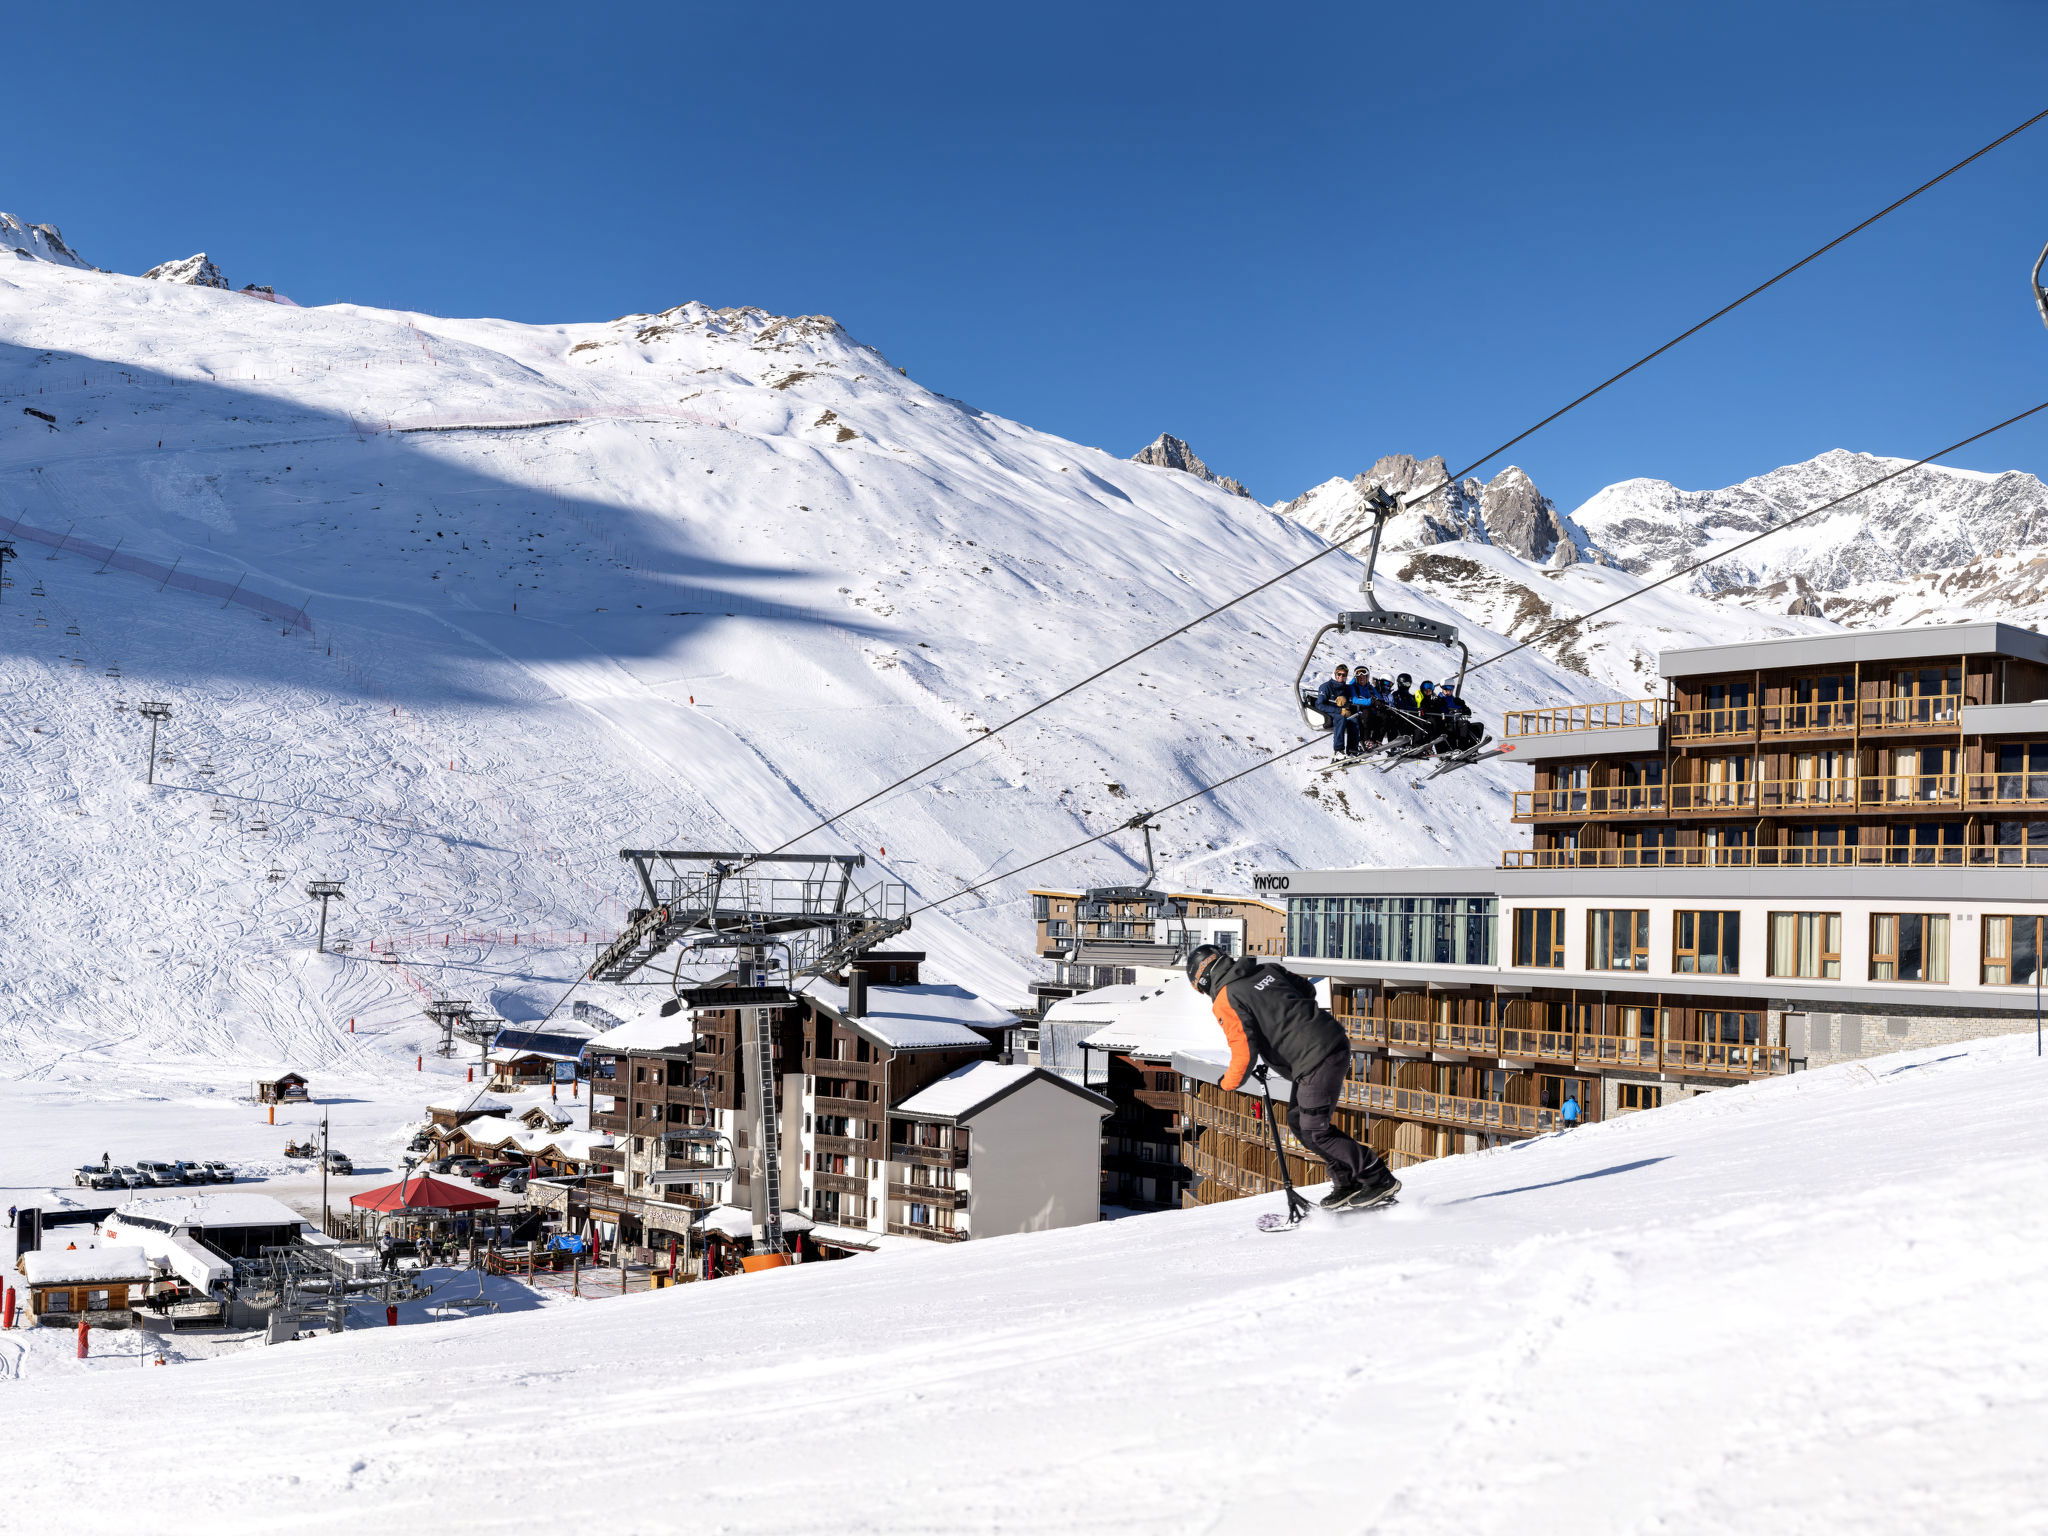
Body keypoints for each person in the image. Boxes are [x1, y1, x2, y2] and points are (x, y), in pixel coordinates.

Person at [1186, 944, 1400, 1211]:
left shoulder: (1226, 998)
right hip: (1328, 1043)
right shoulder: (1267, 970)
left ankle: (1378, 1178)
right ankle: (1347, 1181)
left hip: (1315, 1057)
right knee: (1300, 1122)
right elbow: (1307, 989)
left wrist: (1227, 1083)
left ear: (1202, 979)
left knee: (1314, 1128)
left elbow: (1243, 1051)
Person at [1311, 664, 1354, 753]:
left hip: (1340, 711)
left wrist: (1346, 703)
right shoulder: (1326, 686)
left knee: (1354, 719)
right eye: (1339, 674)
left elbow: (1351, 700)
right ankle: (1338, 750)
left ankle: (1352, 749)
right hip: (1327, 712)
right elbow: (1320, 705)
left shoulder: (1346, 688)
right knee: (1340, 718)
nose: (1341, 676)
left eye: (1344, 675)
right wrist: (1339, 710)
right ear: (1335, 674)